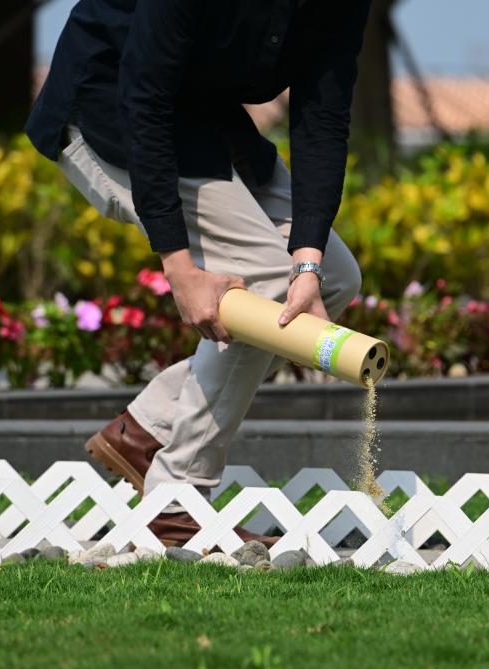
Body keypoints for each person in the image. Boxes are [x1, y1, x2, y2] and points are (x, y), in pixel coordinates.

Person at [26, 0, 371, 547]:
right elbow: (142, 98)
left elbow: (323, 118)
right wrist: (177, 265)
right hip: (110, 108)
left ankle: (147, 432)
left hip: (203, 116)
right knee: (268, 284)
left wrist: (308, 259)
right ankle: (176, 498)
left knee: (334, 277)